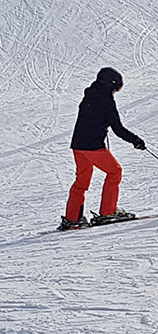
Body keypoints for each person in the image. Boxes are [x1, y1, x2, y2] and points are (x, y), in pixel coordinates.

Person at [62, 66, 145, 230]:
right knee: (115, 171)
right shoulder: (106, 100)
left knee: (82, 181)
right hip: (93, 146)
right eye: (115, 89)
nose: (115, 92)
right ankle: (108, 212)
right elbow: (118, 129)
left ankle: (73, 218)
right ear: (110, 85)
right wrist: (135, 140)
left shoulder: (89, 96)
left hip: (78, 146)